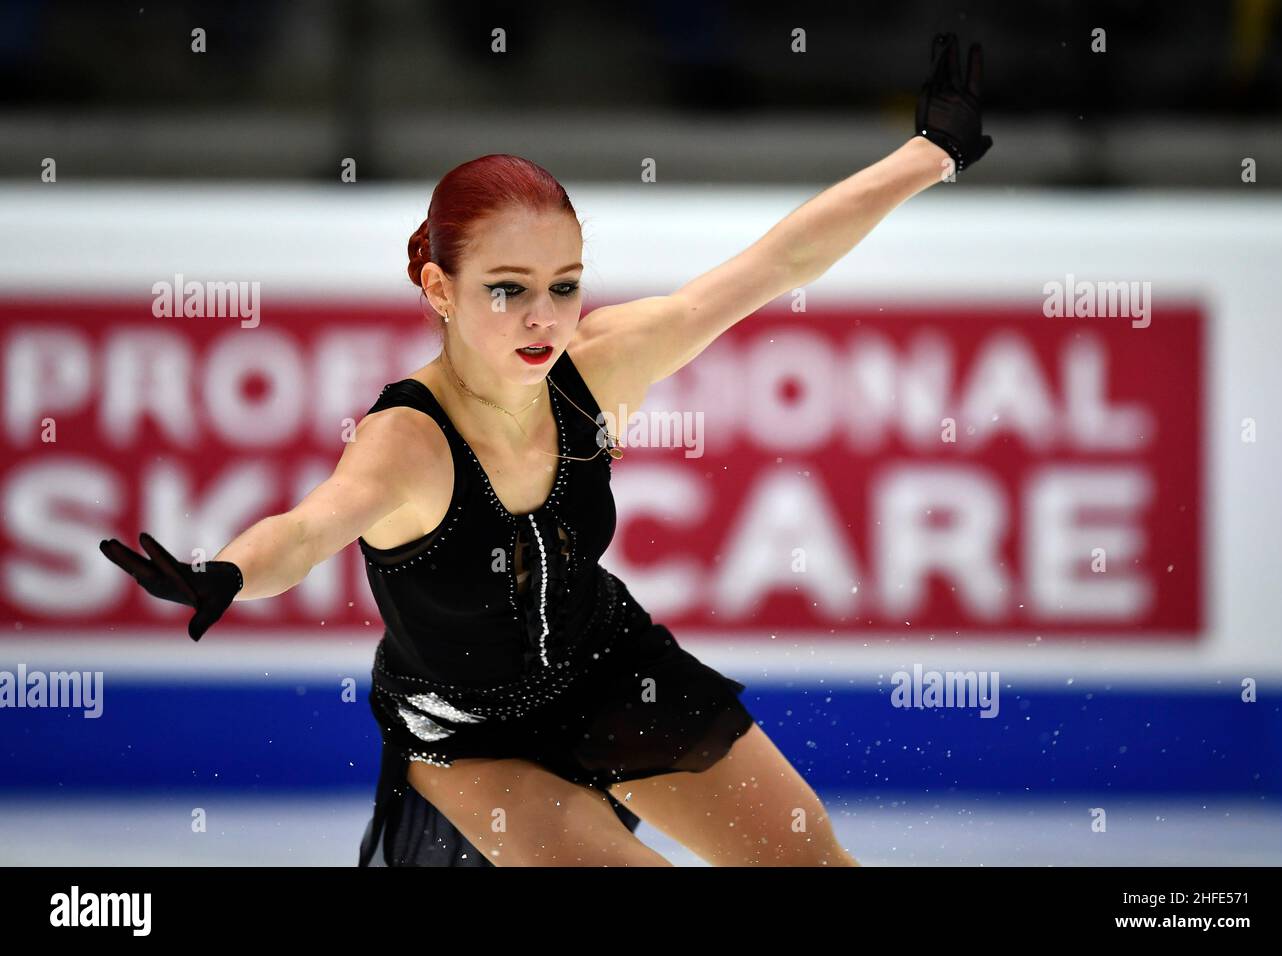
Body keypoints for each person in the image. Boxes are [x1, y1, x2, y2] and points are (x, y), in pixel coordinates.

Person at [100, 33, 991, 866]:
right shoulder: (409, 442)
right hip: (466, 734)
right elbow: (304, 532)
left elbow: (774, 267)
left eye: (563, 286)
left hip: (611, 672)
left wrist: (929, 156)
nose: (544, 318)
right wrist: (225, 572)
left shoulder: (599, 369)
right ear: (438, 290)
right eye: (508, 289)